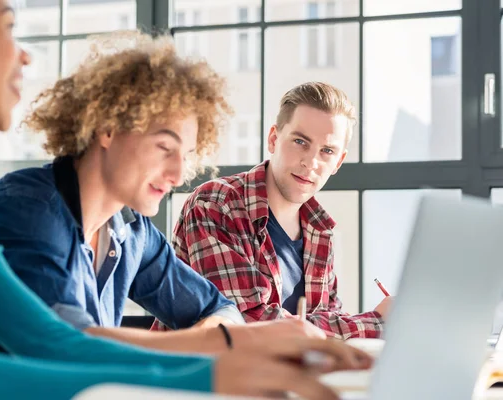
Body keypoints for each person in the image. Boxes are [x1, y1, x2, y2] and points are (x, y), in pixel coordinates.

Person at [0, 2, 372, 399]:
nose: (25, 55)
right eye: (7, 25)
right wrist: (217, 363)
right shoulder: (25, 208)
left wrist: (230, 351)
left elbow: (57, 343)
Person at [0, 29, 328, 352]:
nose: (177, 175)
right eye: (164, 148)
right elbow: (65, 345)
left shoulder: (131, 231)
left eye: (186, 156)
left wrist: (223, 332)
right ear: (108, 129)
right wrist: (229, 338)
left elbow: (218, 307)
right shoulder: (27, 209)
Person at [168, 82, 392, 339]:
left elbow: (326, 323)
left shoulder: (319, 229)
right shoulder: (216, 204)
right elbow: (246, 323)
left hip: (285, 376)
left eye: (327, 151)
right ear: (273, 139)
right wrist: (377, 323)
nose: (311, 162)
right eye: (300, 141)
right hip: (209, 375)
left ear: (338, 162)